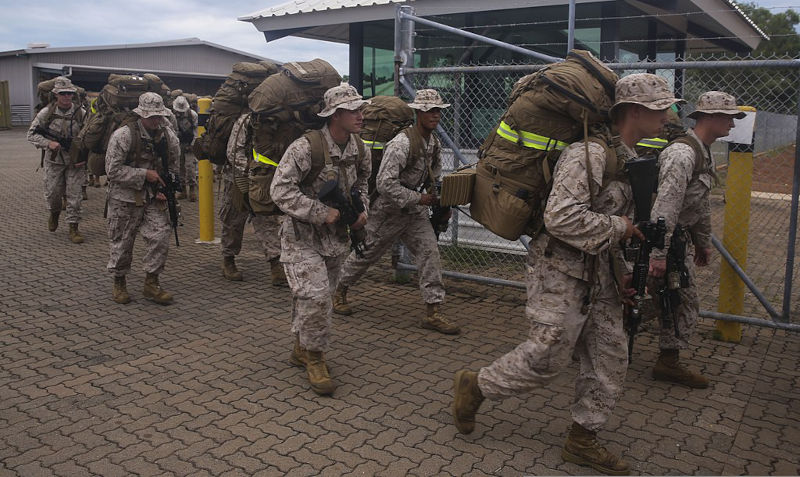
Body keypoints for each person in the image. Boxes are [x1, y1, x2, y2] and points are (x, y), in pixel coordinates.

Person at [451, 73, 683, 476]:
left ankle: (583, 439)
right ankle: (477, 386)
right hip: (559, 270)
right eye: (659, 108)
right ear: (632, 111)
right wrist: (621, 229)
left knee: (612, 354)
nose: (667, 116)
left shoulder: (625, 156)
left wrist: (624, 271)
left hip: (601, 274)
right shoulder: (589, 155)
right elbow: (560, 217)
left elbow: (611, 221)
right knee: (547, 356)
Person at [270, 83, 371, 395]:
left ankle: (301, 347)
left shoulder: (360, 148)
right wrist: (318, 211)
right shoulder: (305, 148)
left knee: (313, 297)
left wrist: (362, 209)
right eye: (353, 110)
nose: (360, 114)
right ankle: (315, 357)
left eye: (360, 108)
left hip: (336, 240)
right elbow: (279, 190)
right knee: (317, 298)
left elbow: (364, 180)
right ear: (335, 115)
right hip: (301, 237)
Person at [333, 89, 459, 335]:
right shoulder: (401, 144)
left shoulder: (433, 142)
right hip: (389, 211)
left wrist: (440, 202)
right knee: (366, 254)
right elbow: (384, 183)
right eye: (428, 111)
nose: (434, 115)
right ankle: (339, 290)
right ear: (417, 113)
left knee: (429, 253)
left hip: (414, 213)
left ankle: (433, 311)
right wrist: (418, 198)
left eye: (437, 111)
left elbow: (434, 175)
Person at [648, 91, 743, 388]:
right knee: (679, 301)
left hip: (678, 240)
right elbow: (666, 206)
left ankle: (665, 358)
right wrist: (658, 253)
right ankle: (666, 362)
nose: (731, 123)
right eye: (728, 117)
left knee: (671, 299)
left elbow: (700, 202)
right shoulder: (682, 154)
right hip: (664, 240)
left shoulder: (702, 150)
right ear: (709, 117)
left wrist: (703, 241)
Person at [104, 92, 180, 305]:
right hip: (124, 197)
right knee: (123, 242)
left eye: (159, 116)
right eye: (152, 117)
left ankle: (151, 282)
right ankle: (119, 282)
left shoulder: (168, 137)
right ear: (141, 115)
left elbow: (174, 166)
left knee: (160, 235)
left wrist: (168, 187)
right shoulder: (123, 136)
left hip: (154, 197)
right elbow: (112, 171)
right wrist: (144, 175)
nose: (156, 120)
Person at [218, 112, 286, 285]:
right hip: (238, 178)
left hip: (264, 179)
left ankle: (276, 265)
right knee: (233, 221)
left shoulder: (281, 120)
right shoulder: (246, 121)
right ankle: (228, 259)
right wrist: (251, 171)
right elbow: (233, 152)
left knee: (267, 219)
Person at [27, 76, 87, 244]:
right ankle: (54, 214)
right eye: (63, 94)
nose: (66, 97)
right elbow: (31, 134)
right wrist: (49, 143)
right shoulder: (46, 113)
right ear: (56, 95)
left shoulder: (80, 113)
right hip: (54, 162)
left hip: (75, 163)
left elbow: (90, 137)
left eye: (69, 93)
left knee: (74, 196)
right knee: (53, 195)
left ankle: (73, 227)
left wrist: (84, 157)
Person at [172, 96, 199, 202]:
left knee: (190, 167)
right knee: (179, 168)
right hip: (178, 144)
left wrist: (192, 144)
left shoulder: (193, 115)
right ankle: (182, 190)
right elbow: (172, 130)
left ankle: (192, 190)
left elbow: (196, 131)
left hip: (189, 144)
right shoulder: (173, 116)